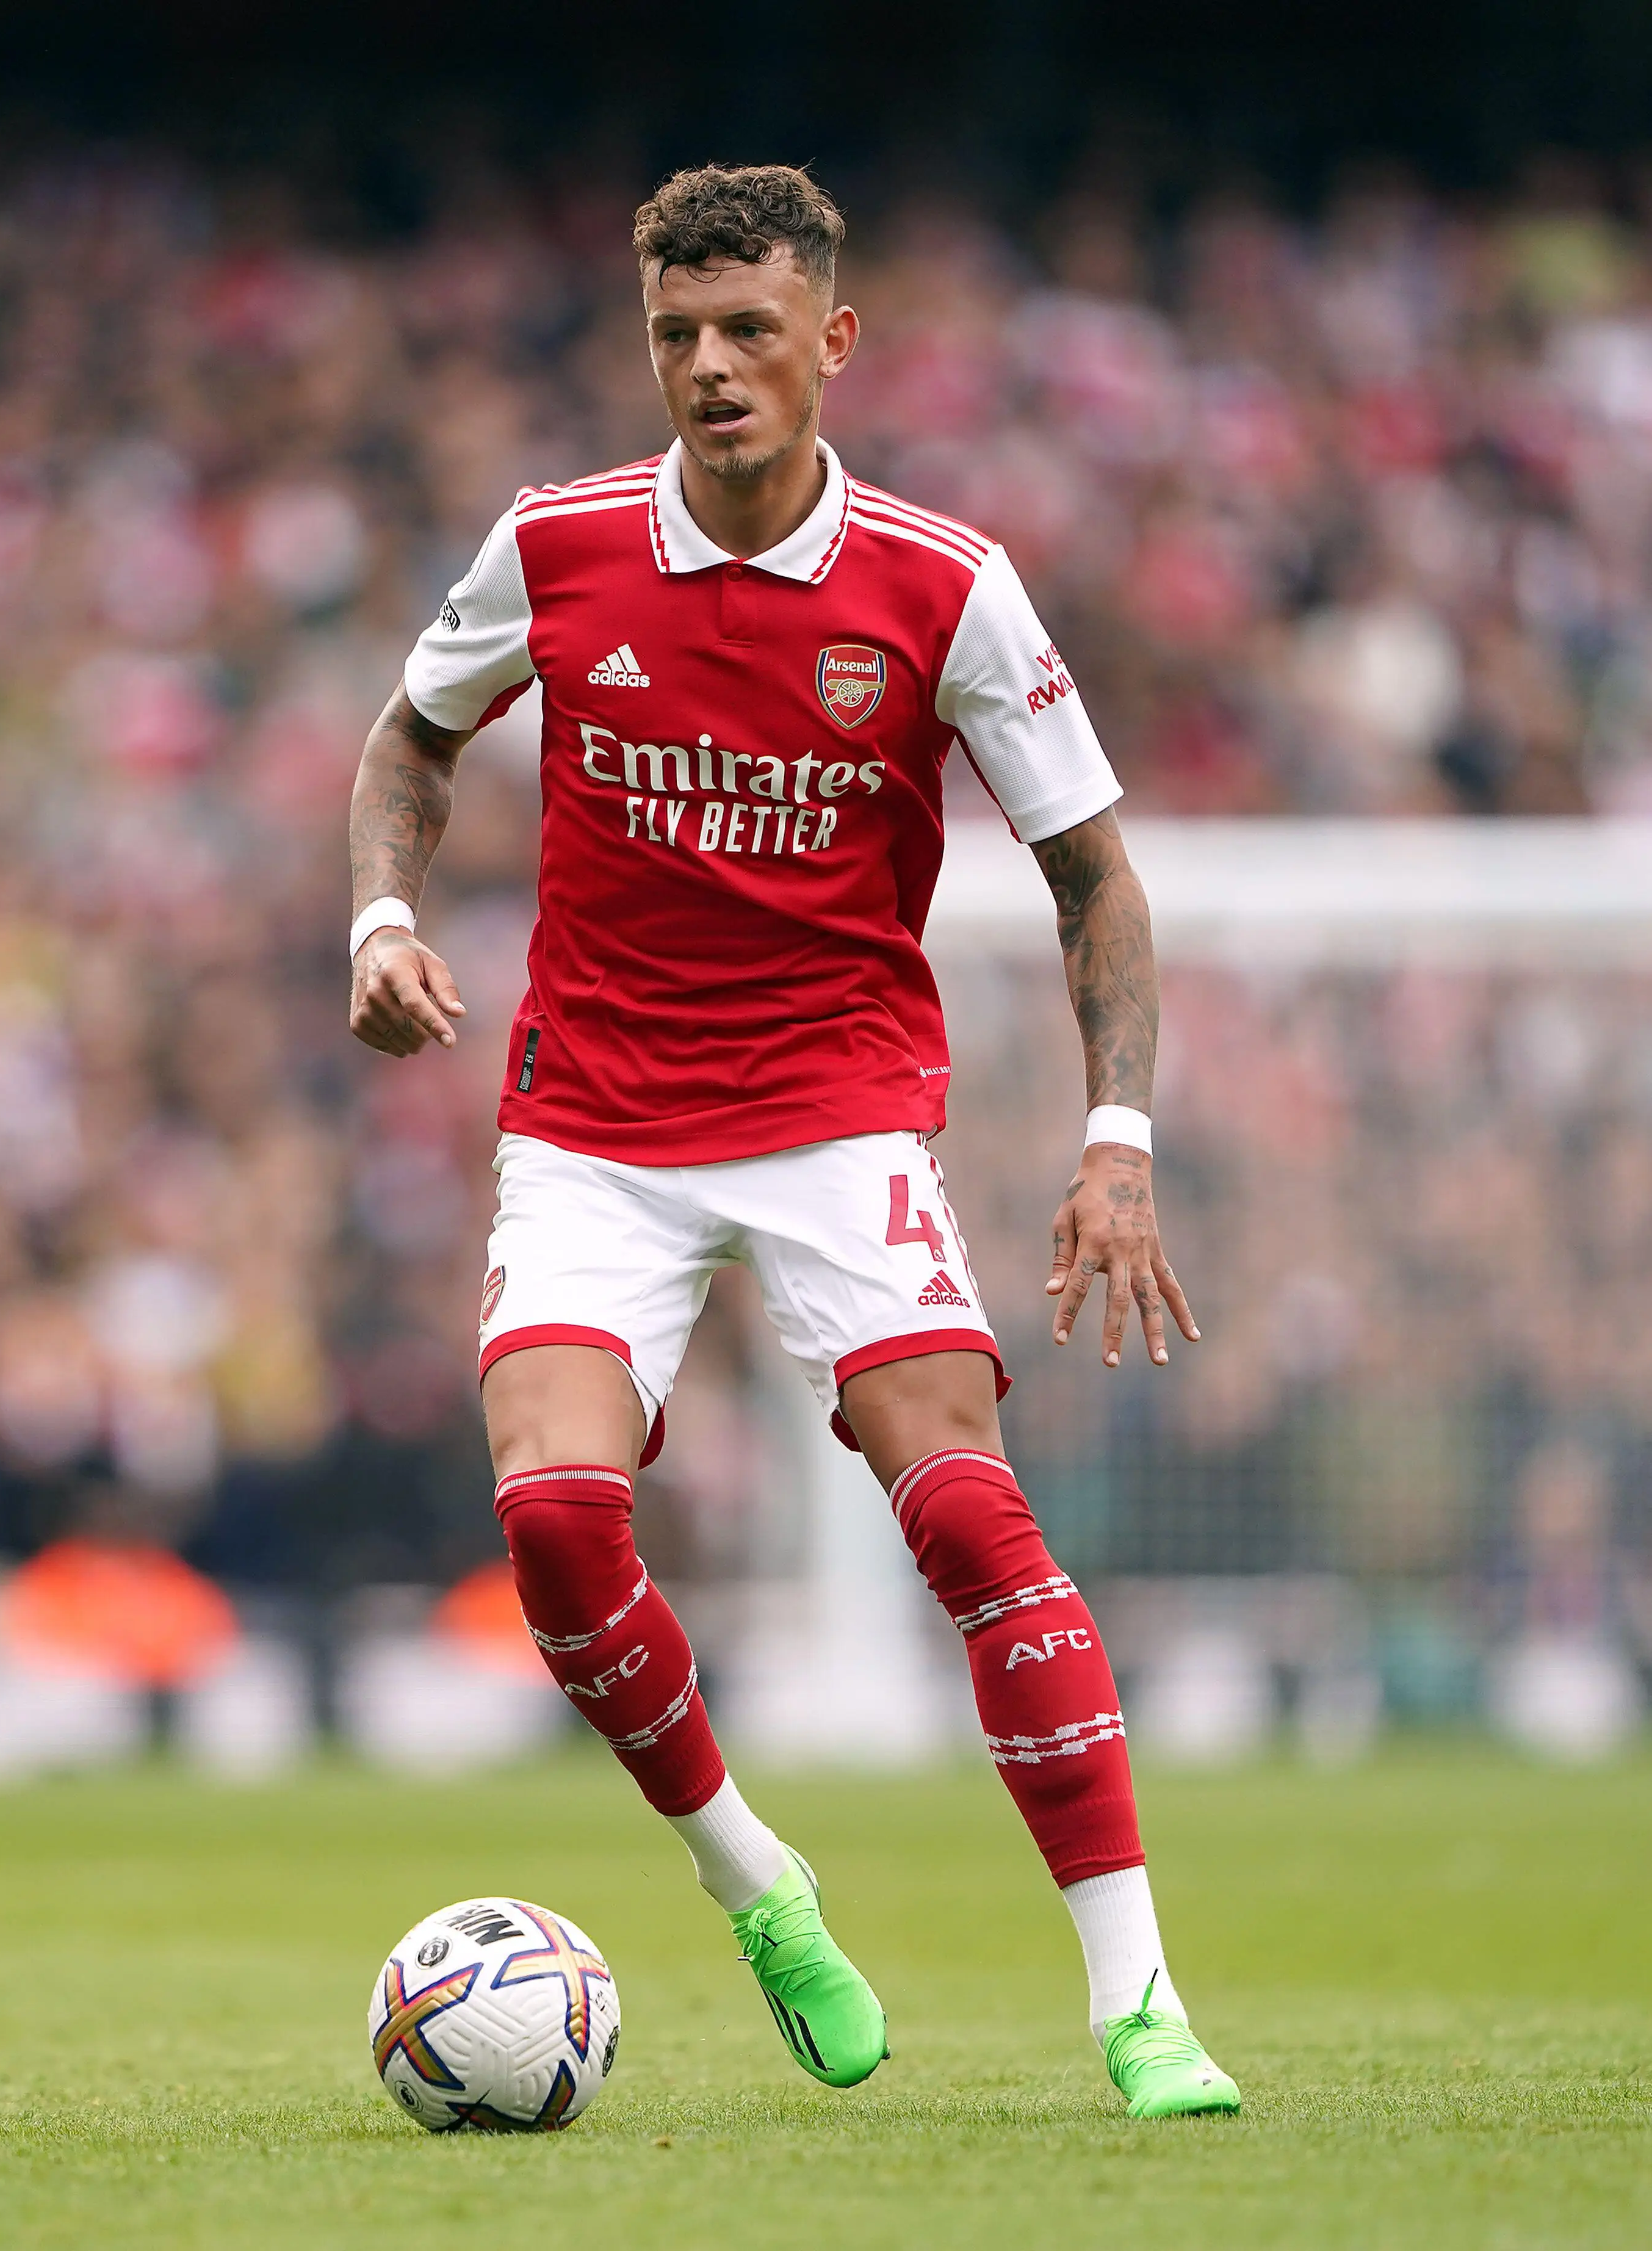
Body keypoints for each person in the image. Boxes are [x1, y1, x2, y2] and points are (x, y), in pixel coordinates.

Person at [347, 163, 1238, 2120]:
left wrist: (1118, 1133)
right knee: (559, 1526)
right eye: (676, 335)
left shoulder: (943, 585)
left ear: (836, 342)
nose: (710, 368)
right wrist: (383, 917)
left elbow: (1096, 878)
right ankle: (755, 1881)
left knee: (968, 1515)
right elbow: (411, 741)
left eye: (750, 331)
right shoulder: (560, 545)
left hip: (838, 1113)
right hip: (592, 1121)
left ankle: (1139, 2004)